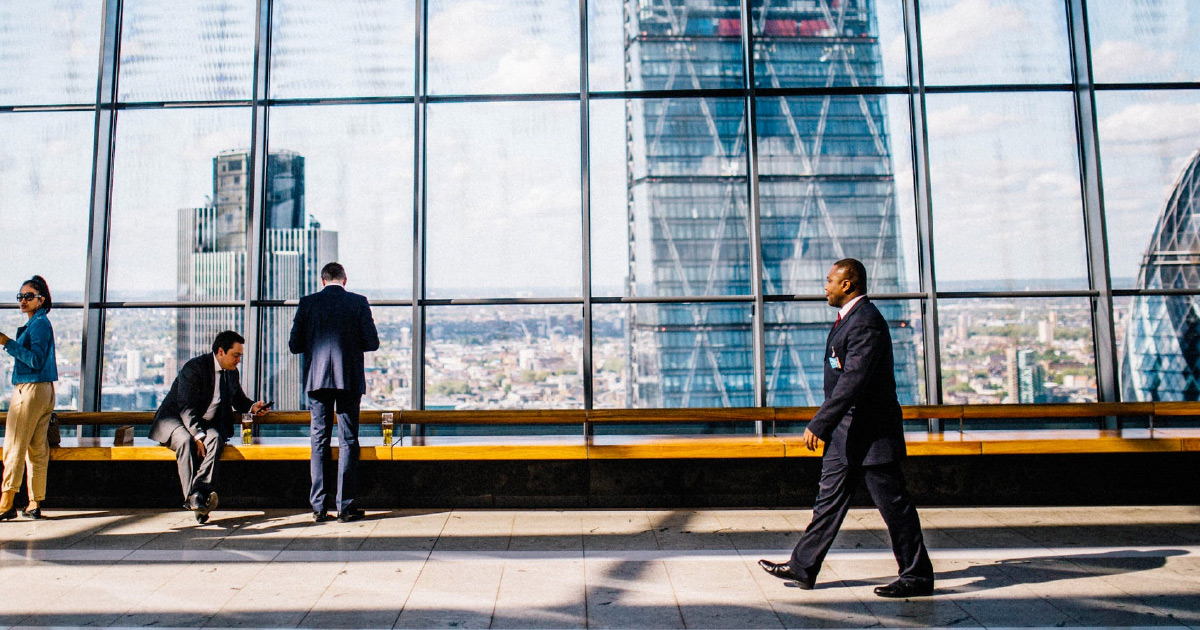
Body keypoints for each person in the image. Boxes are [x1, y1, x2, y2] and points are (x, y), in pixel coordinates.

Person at [759, 258, 934, 598]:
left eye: (829, 281)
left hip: (871, 436)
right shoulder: (850, 320)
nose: (825, 287)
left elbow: (853, 380)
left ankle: (917, 575)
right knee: (828, 502)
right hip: (846, 436)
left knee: (894, 507)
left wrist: (820, 423)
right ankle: (803, 565)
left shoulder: (866, 322)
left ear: (848, 285)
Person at [289, 262, 378, 523]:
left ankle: (318, 507)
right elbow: (372, 342)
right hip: (348, 378)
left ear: (322, 280)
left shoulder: (307, 303)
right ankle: (345, 507)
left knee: (319, 440)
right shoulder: (359, 302)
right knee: (348, 440)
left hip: (317, 380)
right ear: (345, 280)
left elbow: (295, 345)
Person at [150, 330, 269, 524]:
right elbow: (185, 407)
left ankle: (198, 495)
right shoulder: (194, 368)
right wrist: (197, 435)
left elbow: (238, 399)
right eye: (235, 355)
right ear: (220, 352)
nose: (238, 360)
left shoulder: (231, 373)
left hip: (203, 424)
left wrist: (252, 406)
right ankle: (196, 499)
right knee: (186, 441)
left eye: (240, 356)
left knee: (215, 439)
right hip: (174, 420)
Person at [0, 275, 59, 521]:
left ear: (41, 299)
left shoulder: (39, 324)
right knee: (37, 448)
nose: (23, 301)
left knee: (15, 445)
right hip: (44, 390)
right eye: (21, 296)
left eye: (29, 296)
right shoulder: (39, 323)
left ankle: (6, 503)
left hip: (30, 390)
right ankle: (34, 502)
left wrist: (7, 343)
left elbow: (34, 359)